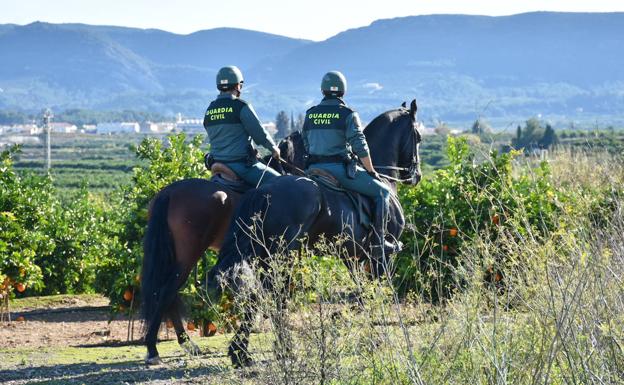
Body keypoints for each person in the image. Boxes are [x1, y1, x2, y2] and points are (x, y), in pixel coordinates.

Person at [302, 70, 400, 256]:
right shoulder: (347, 114)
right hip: (338, 170)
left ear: (323, 91)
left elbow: (305, 142)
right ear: (343, 91)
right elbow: (360, 146)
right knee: (383, 192)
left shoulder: (311, 113)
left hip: (313, 170)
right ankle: (379, 242)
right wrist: (371, 171)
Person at [203, 65, 280, 186]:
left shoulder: (210, 109)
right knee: (282, 184)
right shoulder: (241, 106)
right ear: (238, 85)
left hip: (217, 165)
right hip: (241, 167)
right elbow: (259, 134)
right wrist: (273, 148)